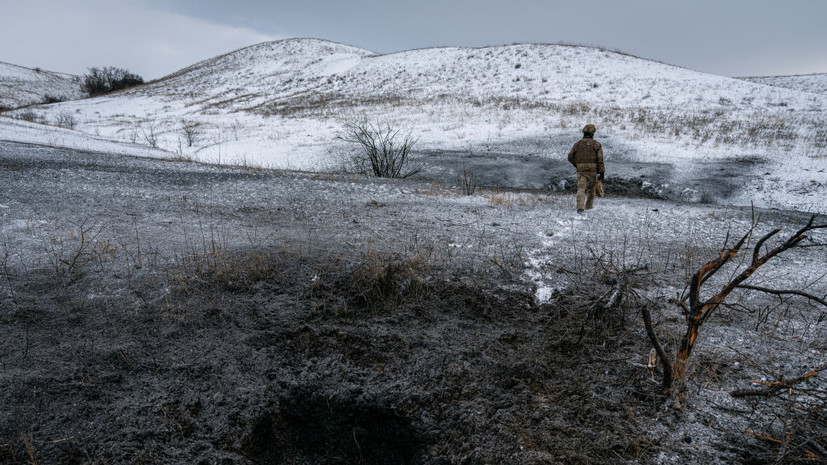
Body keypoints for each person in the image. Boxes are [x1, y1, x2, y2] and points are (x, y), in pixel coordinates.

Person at [567, 123, 605, 213]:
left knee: (581, 189)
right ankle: (589, 207)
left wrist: (576, 164)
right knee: (591, 189)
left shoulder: (577, 144)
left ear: (583, 133)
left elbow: (570, 156)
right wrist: (602, 172)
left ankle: (580, 208)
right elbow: (600, 159)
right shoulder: (596, 144)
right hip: (592, 170)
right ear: (593, 133)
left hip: (581, 170)